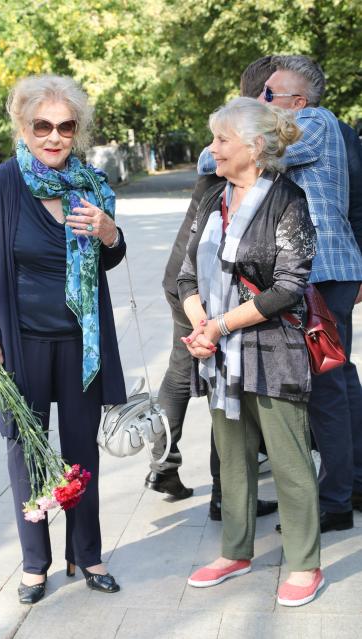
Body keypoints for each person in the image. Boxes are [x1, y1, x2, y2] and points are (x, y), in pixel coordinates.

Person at [0, 74, 127, 604]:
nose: (54, 136)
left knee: (82, 453)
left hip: (82, 344)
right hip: (21, 343)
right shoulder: (3, 183)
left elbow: (110, 258)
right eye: (43, 126)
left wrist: (109, 232)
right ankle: (36, 563)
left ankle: (88, 552)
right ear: (24, 127)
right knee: (27, 451)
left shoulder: (92, 185)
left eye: (66, 126)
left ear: (78, 130)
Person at [178, 97, 323, 607]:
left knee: (288, 460)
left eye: (221, 140)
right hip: (218, 351)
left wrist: (217, 326)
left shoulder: (288, 200)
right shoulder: (212, 196)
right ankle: (235, 551)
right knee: (233, 459)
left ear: (254, 147)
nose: (211, 149)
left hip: (272, 348)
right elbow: (186, 275)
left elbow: (288, 287)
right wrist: (202, 328)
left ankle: (305, 562)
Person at [145, 56, 278, 520]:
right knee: (224, 381)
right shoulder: (236, 145)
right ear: (265, 100)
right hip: (199, 283)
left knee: (187, 373)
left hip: (189, 277)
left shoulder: (239, 145)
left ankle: (167, 462)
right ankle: (225, 494)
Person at [260, 55, 362, 532]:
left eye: (268, 95)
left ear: (297, 103)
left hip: (320, 271)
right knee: (334, 384)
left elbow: (245, 153)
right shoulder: (312, 125)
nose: (261, 101)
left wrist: (235, 130)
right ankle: (345, 487)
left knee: (325, 388)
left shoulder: (315, 121)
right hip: (322, 271)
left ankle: (335, 501)